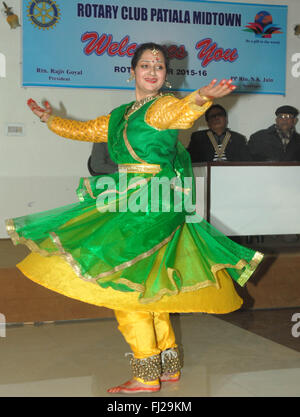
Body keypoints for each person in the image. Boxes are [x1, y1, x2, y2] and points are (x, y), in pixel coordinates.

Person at [6, 43, 263, 394]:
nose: (153, 70)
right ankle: (167, 364)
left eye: (159, 65)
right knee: (149, 284)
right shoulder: (120, 115)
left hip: (151, 201)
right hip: (129, 197)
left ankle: (145, 375)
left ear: (165, 74)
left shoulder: (163, 107)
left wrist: (201, 96)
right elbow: (81, 130)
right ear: (132, 72)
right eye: (146, 64)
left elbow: (183, 113)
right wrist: (48, 119)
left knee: (121, 285)